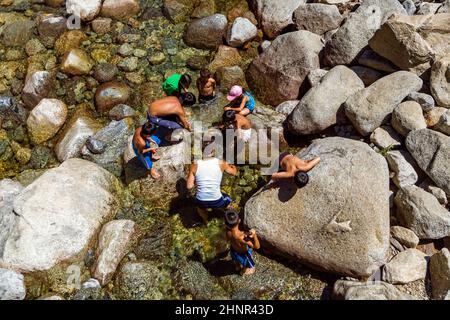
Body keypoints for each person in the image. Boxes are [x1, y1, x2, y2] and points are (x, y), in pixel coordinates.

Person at [186, 139, 238, 223]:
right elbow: (234, 173)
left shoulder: (194, 165)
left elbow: (189, 186)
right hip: (217, 200)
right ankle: (231, 218)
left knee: (200, 208)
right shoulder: (221, 163)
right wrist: (234, 167)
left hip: (201, 201)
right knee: (228, 200)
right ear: (213, 150)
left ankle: (205, 220)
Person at [225, 210, 260, 276]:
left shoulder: (227, 231)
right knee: (251, 266)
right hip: (243, 254)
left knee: (236, 259)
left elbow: (227, 239)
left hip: (233, 250)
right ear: (239, 221)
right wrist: (254, 235)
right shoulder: (242, 237)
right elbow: (257, 247)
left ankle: (237, 267)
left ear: (226, 224)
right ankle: (243, 271)